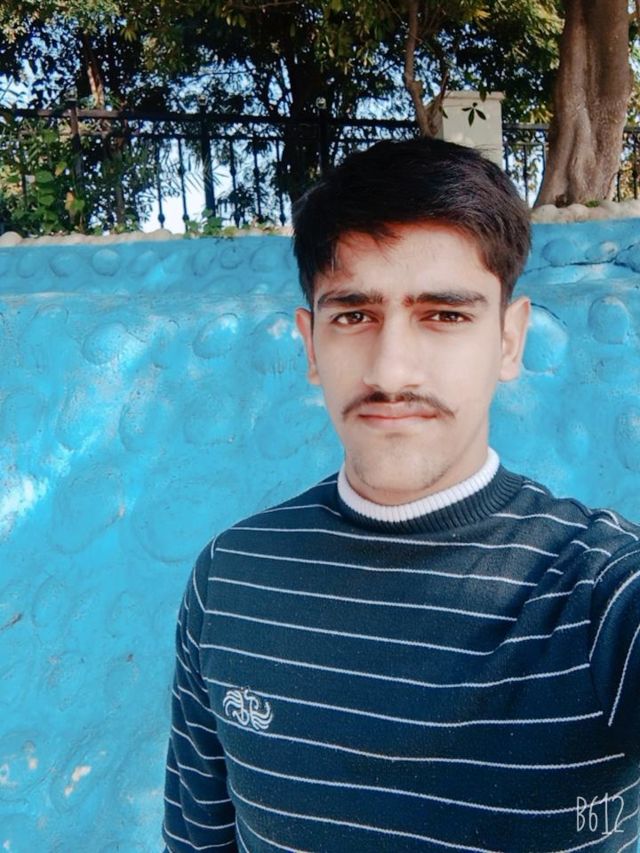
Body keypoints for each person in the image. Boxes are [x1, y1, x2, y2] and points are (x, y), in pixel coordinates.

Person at [162, 138, 640, 852]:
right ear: (311, 345)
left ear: (510, 341)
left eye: (444, 314)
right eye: (353, 315)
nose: (391, 372)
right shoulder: (229, 578)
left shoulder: (601, 593)